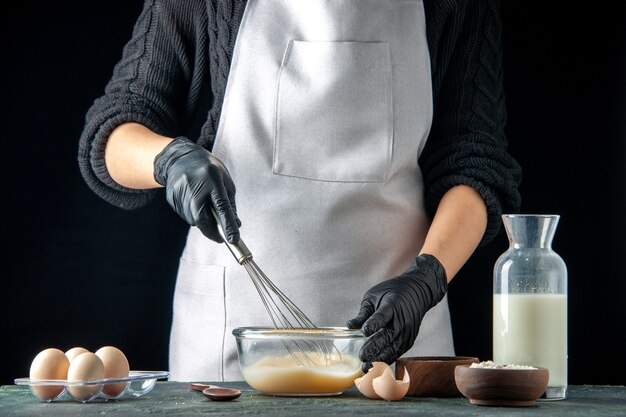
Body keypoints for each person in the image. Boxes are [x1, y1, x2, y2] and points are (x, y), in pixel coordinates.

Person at [78, 0, 521, 381]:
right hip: (234, 338)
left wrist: (429, 277)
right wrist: (168, 159)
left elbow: (475, 163)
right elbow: (116, 127)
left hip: (398, 337)